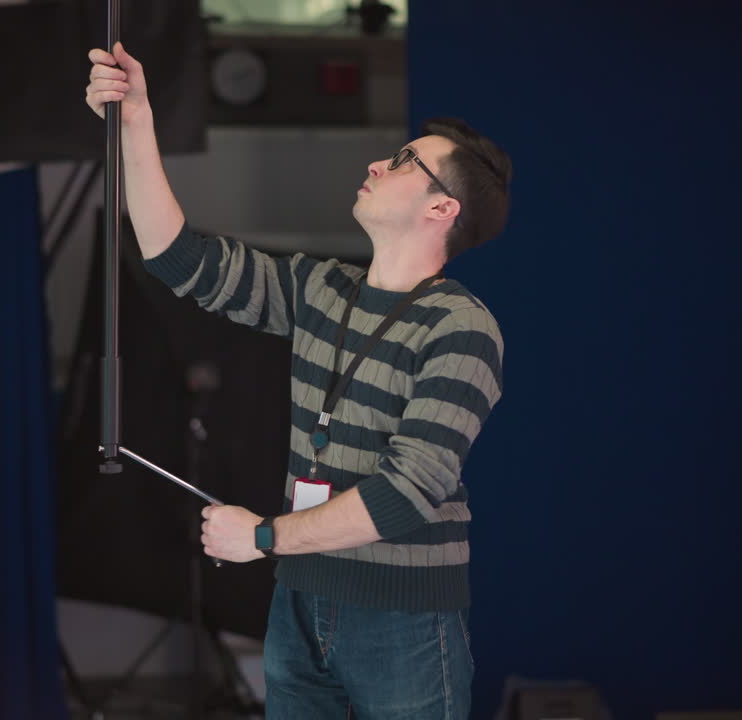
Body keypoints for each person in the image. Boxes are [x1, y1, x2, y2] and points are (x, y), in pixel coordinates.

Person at [86, 42, 511, 719]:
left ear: (442, 209)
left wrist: (263, 537)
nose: (378, 163)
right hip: (300, 603)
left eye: (406, 162)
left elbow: (406, 493)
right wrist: (136, 118)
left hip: (399, 620)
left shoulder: (459, 327)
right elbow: (177, 260)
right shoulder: (318, 287)